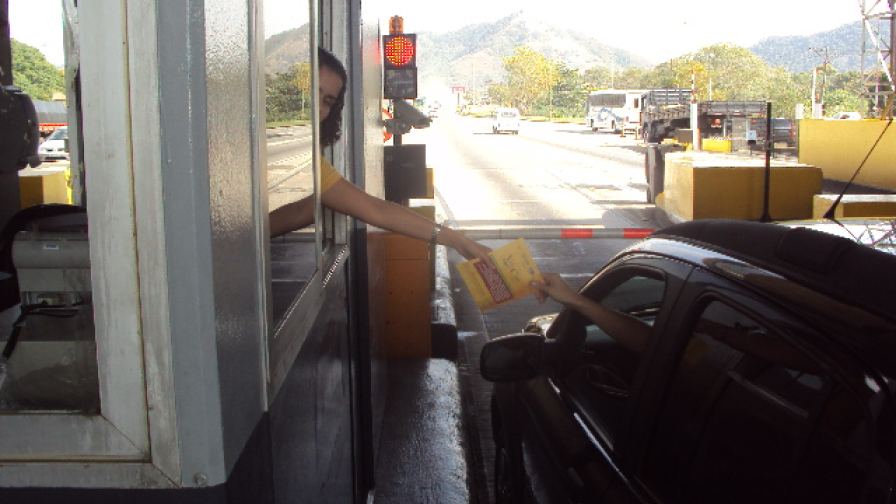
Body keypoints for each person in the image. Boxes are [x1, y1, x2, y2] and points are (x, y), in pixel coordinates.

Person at [270, 48, 492, 264]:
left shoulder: (306, 157)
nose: (317, 107)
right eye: (311, 92)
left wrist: (457, 241)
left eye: (327, 101)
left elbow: (372, 209)